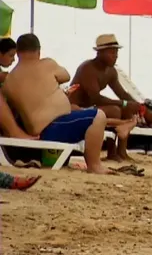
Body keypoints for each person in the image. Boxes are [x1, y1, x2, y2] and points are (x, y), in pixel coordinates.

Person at [2, 34, 112, 174]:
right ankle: (94, 165)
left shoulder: (9, 80)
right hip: (54, 128)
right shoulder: (47, 64)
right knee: (98, 116)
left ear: (17, 53)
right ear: (38, 51)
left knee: (81, 114)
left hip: (39, 131)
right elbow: (66, 76)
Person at [69, 34, 140, 160]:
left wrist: (139, 107)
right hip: (75, 109)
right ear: (100, 53)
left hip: (90, 107)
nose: (115, 56)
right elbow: (96, 98)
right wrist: (123, 103)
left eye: (116, 52)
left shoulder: (111, 71)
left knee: (127, 109)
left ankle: (122, 151)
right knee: (115, 110)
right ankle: (111, 152)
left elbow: (122, 94)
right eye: (112, 52)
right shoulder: (88, 69)